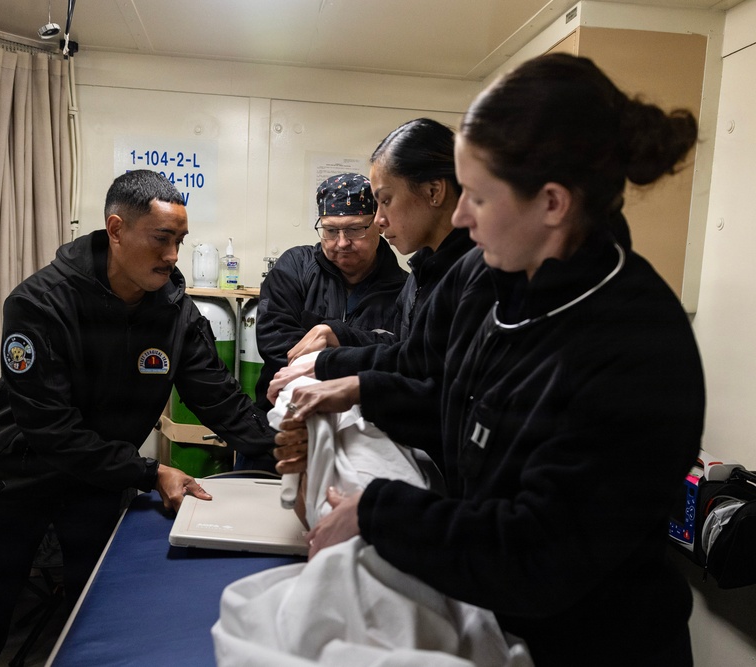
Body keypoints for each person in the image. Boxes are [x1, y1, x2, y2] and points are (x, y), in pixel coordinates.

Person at [274, 53, 705, 666]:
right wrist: (345, 379)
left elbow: (537, 554)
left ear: (552, 204)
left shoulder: (635, 348)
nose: (460, 215)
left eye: (477, 195)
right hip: (496, 620)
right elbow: (421, 366)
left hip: (590, 644)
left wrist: (381, 510)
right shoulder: (491, 274)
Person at [0, 169, 277, 667]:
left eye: (180, 242)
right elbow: (51, 430)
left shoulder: (173, 311)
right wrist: (150, 471)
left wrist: (286, 447)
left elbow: (220, 399)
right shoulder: (40, 303)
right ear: (116, 230)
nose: (172, 256)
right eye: (161, 239)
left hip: (96, 485)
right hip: (15, 479)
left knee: (98, 624)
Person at [273, 118, 474, 396]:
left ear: (433, 192)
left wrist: (349, 383)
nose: (380, 219)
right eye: (330, 231)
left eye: (386, 200)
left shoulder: (471, 275)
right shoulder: (422, 275)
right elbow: (406, 355)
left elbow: (433, 381)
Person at [253, 173, 406, 412]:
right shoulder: (295, 268)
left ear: (378, 223)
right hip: (283, 417)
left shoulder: (403, 291)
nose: (342, 243)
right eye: (331, 231)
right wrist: (354, 358)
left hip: (364, 430)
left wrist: (337, 336)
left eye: (355, 230)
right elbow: (276, 344)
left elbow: (401, 357)